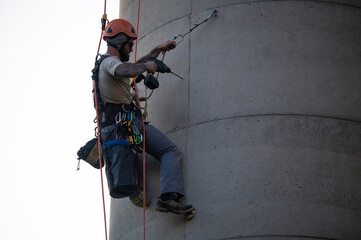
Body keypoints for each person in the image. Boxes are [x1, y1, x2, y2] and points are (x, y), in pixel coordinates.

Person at [97, 19, 193, 215]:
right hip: (126, 126)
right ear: (119, 42)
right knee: (170, 151)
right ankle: (168, 198)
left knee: (142, 155)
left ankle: (138, 186)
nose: (131, 48)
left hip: (121, 129)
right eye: (129, 44)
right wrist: (146, 67)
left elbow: (133, 65)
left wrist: (157, 50)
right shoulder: (110, 63)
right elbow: (125, 69)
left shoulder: (107, 64)